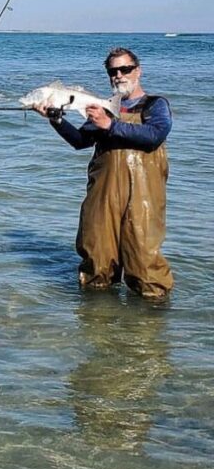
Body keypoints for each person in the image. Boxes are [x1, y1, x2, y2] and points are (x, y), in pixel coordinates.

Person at [33, 47, 172, 298]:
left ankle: (148, 329)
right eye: (113, 71)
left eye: (125, 69)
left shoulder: (155, 105)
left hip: (143, 198)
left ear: (138, 71)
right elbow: (80, 141)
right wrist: (57, 121)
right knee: (96, 260)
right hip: (102, 195)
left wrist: (110, 125)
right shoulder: (102, 109)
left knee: (145, 267)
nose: (119, 75)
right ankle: (97, 326)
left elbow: (155, 135)